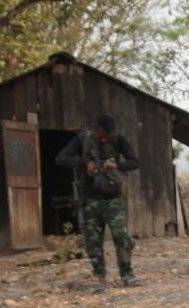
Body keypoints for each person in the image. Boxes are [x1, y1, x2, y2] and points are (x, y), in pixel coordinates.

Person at [56, 114, 139, 290]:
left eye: (108, 136)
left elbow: (134, 162)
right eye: (103, 135)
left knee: (122, 237)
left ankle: (127, 275)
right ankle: (100, 279)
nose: (105, 139)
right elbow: (61, 158)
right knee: (93, 242)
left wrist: (116, 165)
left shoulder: (118, 140)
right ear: (96, 130)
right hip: (90, 199)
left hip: (113, 199)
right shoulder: (83, 139)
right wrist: (84, 163)